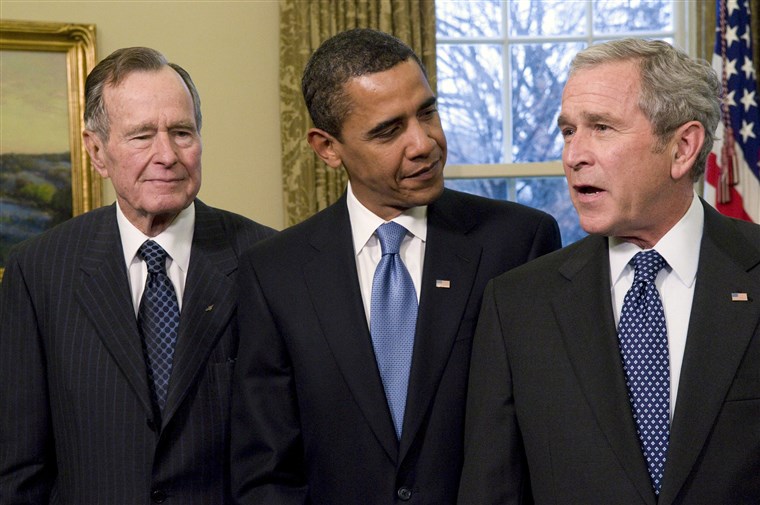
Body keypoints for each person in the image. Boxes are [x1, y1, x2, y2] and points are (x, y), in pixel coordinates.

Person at [230, 28, 561, 505]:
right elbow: (265, 468)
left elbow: (547, 439)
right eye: (388, 130)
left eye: (427, 113)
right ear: (327, 147)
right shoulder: (274, 272)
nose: (423, 143)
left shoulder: (519, 243)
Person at [458, 38, 760, 505]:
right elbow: (492, 489)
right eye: (567, 131)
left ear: (682, 148)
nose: (573, 154)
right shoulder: (517, 305)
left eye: (601, 127)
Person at [0, 47, 275, 504]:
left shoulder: (266, 259)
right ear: (97, 151)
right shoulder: (38, 271)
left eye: (182, 132)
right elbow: (18, 468)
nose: (166, 154)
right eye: (142, 136)